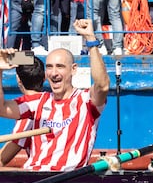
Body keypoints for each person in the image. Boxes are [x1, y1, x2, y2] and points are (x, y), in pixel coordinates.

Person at [0, 18, 110, 171]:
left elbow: (102, 86)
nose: (54, 73)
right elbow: (2, 108)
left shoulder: (85, 100)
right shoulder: (37, 102)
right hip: (33, 177)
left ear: (73, 69)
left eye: (60, 67)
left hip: (64, 181)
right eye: (50, 67)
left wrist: (91, 39)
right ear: (45, 74)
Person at [0, 56, 45, 166]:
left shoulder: (27, 112)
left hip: (44, 177)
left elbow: (2, 159)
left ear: (18, 79)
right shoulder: (56, 100)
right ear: (44, 78)